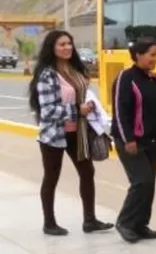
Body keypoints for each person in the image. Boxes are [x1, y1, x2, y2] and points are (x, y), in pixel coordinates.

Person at [27, 30, 112, 236]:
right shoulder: (47, 74)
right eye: (61, 44)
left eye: (69, 44)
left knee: (87, 172)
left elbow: (82, 92)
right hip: (54, 135)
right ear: (52, 48)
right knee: (51, 177)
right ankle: (49, 223)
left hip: (78, 132)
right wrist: (76, 109)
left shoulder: (75, 68)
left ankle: (90, 221)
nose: (67, 48)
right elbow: (48, 111)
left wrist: (89, 105)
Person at [111, 36, 156, 243]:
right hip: (131, 141)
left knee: (150, 184)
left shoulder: (155, 79)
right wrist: (128, 139)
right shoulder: (125, 78)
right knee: (141, 181)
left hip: (152, 141)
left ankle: (140, 225)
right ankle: (125, 222)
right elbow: (120, 111)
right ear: (138, 55)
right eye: (152, 55)